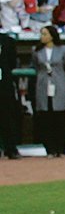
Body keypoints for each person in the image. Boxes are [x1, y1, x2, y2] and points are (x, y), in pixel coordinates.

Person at [30, 24, 65, 157]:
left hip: (58, 85)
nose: (42, 36)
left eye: (45, 34)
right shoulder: (36, 51)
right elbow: (36, 67)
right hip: (43, 86)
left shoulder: (63, 49)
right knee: (45, 118)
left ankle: (61, 148)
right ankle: (50, 148)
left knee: (59, 116)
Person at [0, 28, 19, 158]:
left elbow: (12, 62)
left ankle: (10, 148)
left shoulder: (7, 41)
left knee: (7, 116)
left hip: (4, 85)